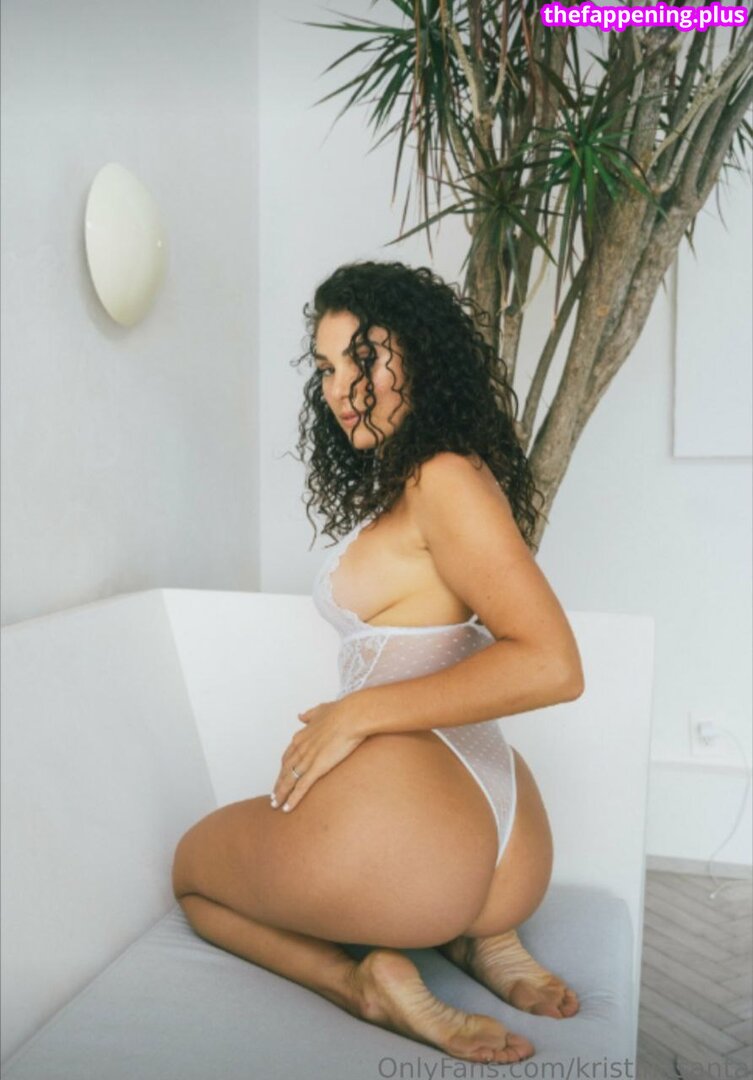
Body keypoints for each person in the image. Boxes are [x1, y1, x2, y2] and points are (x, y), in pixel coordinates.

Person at [172, 260, 585, 1065]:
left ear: (419, 357)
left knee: (191, 870)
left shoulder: (442, 479)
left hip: (419, 837)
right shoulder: (438, 476)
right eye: (326, 368)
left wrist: (355, 713)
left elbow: (552, 665)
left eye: (362, 359)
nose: (339, 388)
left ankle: (359, 983)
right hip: (501, 840)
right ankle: (482, 935)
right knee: (437, 892)